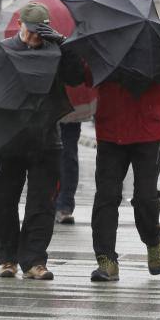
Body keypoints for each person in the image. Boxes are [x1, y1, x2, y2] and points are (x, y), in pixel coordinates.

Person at [0, 3, 84, 280]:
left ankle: (34, 260)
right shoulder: (2, 50)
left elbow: (77, 78)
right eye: (30, 32)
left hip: (45, 139)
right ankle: (7, 259)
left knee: (42, 204)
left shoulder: (55, 52)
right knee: (5, 202)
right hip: (7, 140)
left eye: (39, 33)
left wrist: (64, 47)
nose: (34, 39)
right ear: (20, 24)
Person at [88, 76, 160, 282]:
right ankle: (106, 259)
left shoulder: (158, 44)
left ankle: (153, 240)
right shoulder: (103, 43)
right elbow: (85, 74)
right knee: (106, 195)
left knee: (145, 196)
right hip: (112, 125)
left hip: (149, 125)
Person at [54, 91, 96, 225]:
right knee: (61, 154)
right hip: (50, 100)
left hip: (69, 101)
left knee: (68, 153)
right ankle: (56, 203)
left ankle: (63, 205)